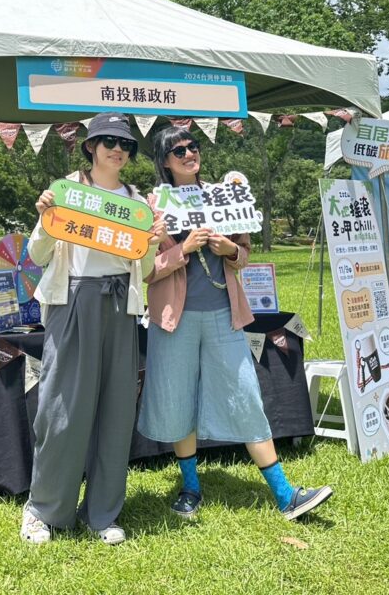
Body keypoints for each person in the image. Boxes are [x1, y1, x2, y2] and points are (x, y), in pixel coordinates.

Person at [138, 126, 333, 522]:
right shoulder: (153, 206)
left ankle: (285, 493)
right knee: (178, 400)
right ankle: (190, 487)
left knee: (245, 393)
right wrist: (182, 250)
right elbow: (144, 271)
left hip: (225, 315)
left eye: (193, 147)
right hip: (173, 320)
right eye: (179, 150)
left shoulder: (225, 196)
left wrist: (229, 249)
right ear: (164, 161)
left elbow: (243, 255)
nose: (190, 154)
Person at [20, 113, 165, 546]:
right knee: (62, 409)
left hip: (122, 305)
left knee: (116, 411)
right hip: (74, 301)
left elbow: (144, 267)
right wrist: (47, 217)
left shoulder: (138, 202)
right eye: (107, 142)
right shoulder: (67, 192)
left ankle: (103, 512)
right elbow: (37, 252)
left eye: (124, 144)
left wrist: (153, 239)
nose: (116, 150)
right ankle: (44, 510)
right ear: (91, 146)